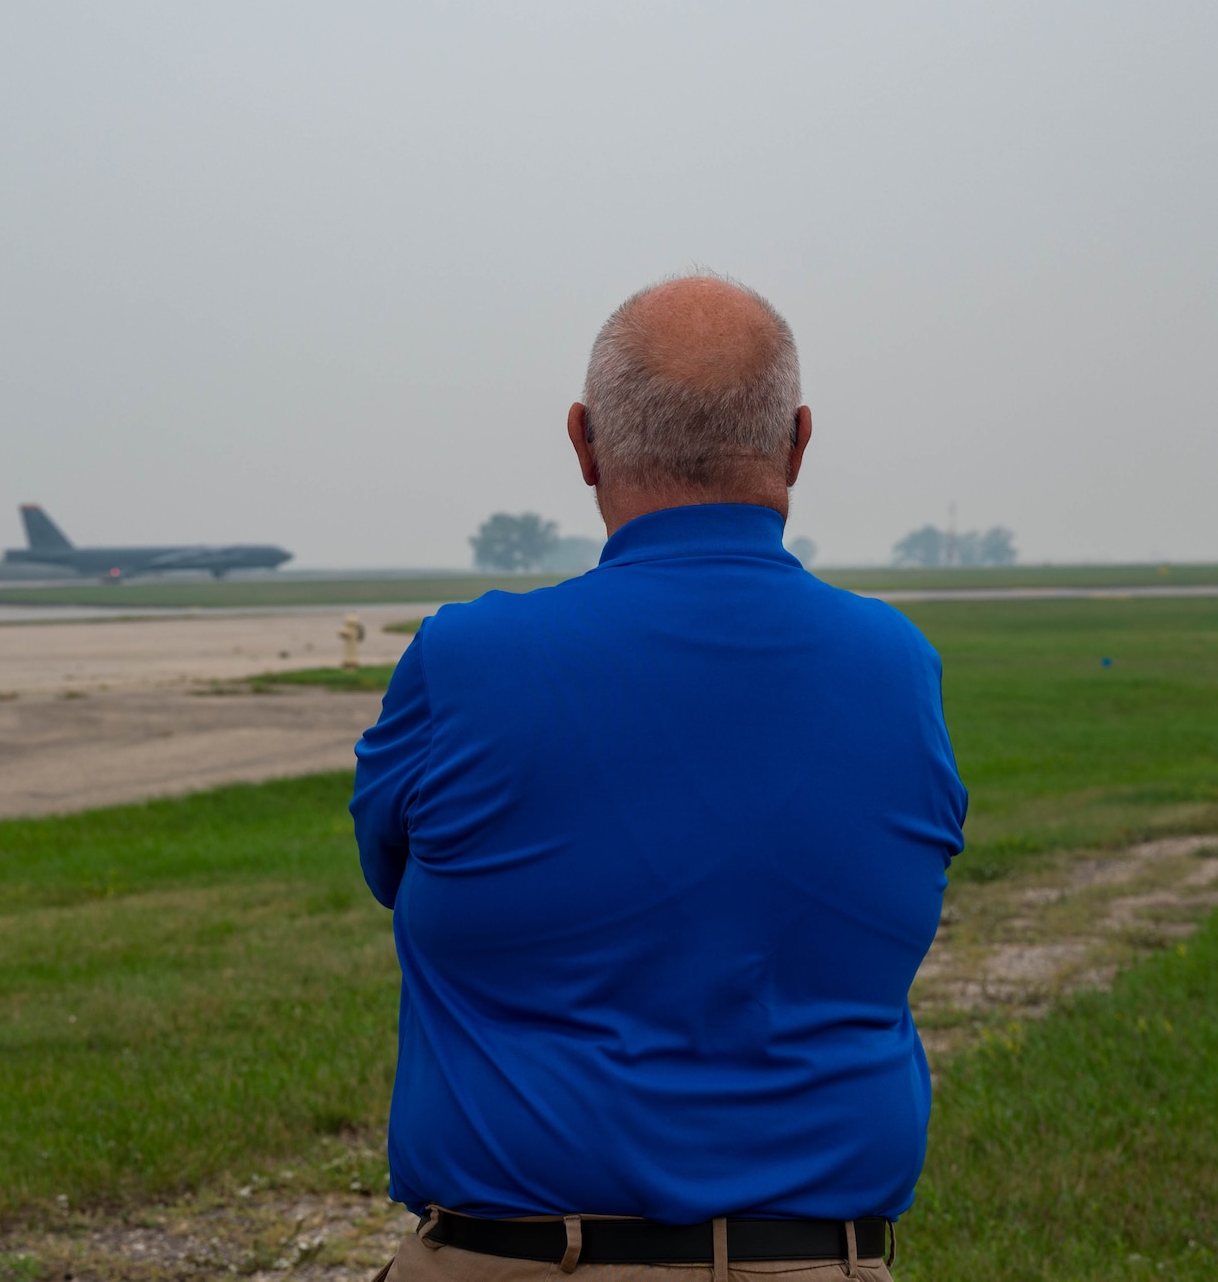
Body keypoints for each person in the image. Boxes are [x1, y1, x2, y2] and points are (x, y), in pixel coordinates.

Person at [351, 275, 965, 1281]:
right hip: (817, 1257)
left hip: (515, 1254)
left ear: (582, 442)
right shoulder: (896, 664)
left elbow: (393, 870)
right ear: (797, 443)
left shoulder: (465, 658)